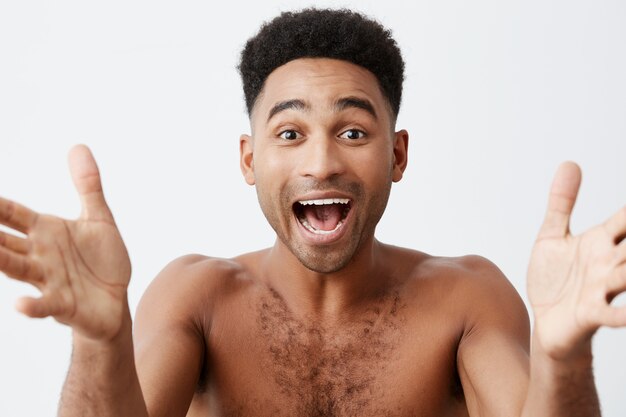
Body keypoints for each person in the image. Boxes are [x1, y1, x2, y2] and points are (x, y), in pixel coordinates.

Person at [0, 8, 624, 417]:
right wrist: (97, 339)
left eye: (353, 132)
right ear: (249, 159)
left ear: (397, 154)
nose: (321, 163)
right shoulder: (197, 299)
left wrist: (565, 357)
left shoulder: (467, 302)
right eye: (290, 133)